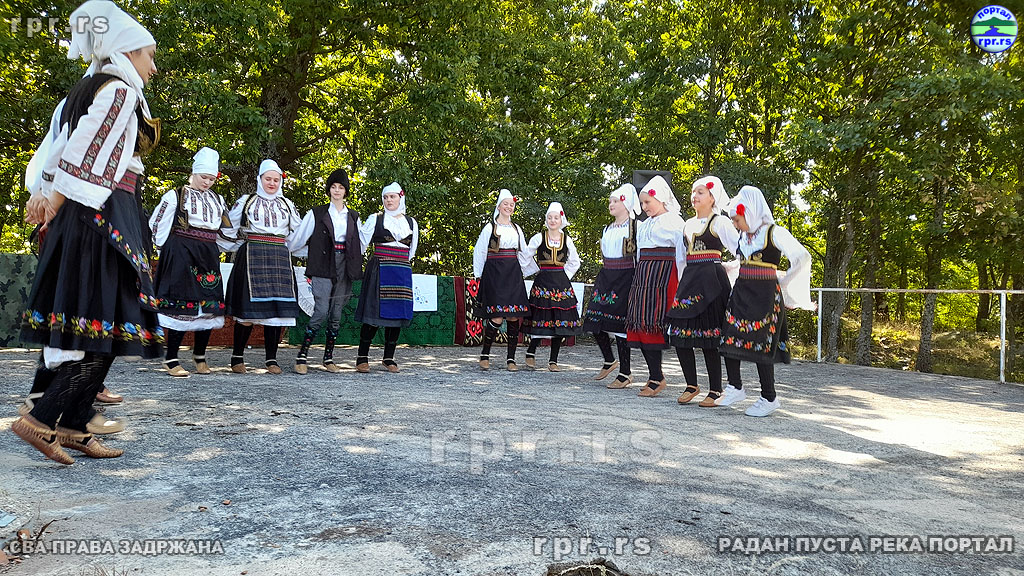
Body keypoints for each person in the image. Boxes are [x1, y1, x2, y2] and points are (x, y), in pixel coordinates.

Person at [13, 0, 162, 463]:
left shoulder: (84, 89)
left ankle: (74, 426)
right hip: (102, 215)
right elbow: (86, 156)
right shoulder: (119, 90)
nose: (153, 67)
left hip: (86, 215)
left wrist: (45, 195)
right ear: (127, 50)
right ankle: (41, 420)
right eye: (149, 55)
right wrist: (54, 201)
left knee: (95, 322)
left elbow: (57, 149)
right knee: (108, 323)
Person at [718, 185, 813, 417]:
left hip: (765, 294)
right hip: (742, 291)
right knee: (729, 335)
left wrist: (786, 282)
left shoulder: (774, 232)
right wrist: (728, 267)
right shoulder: (744, 236)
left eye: (737, 219)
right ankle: (735, 386)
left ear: (750, 212)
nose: (735, 225)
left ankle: (769, 397)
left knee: (762, 343)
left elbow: (802, 256)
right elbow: (742, 261)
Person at [149, 147, 231, 377]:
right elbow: (157, 223)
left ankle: (200, 355)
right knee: (181, 304)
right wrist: (163, 250)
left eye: (212, 179)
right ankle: (171, 358)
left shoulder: (218, 199)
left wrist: (228, 245)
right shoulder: (176, 195)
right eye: (204, 177)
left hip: (208, 254)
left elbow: (225, 231)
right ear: (194, 173)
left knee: (209, 304)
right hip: (182, 252)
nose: (207, 182)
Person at [223, 160, 303, 374]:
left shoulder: (287, 204)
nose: (272, 183)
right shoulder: (246, 202)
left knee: (276, 312)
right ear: (260, 179)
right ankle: (237, 358)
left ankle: (271, 360)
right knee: (248, 312)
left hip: (279, 256)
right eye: (268, 179)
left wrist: (297, 249)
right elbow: (229, 228)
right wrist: (235, 245)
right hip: (253, 254)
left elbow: (298, 233)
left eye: (276, 180)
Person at [665, 176, 739, 406]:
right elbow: (681, 258)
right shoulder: (687, 224)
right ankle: (691, 384)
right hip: (690, 280)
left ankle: (715, 389)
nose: (694, 196)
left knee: (710, 336)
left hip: (712, 282)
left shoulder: (720, 222)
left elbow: (740, 250)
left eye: (700, 192)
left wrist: (729, 268)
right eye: (693, 192)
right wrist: (681, 284)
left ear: (712, 197)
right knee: (679, 333)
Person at [287, 168, 363, 374]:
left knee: (336, 313)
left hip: (344, 264)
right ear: (329, 190)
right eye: (333, 187)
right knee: (321, 310)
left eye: (341, 187)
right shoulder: (317, 213)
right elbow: (300, 238)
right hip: (323, 263)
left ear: (346, 191)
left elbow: (360, 243)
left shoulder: (353, 216)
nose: (337, 190)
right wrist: (288, 250)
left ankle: (328, 358)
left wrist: (354, 262)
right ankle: (302, 356)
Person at [625, 175, 686, 397]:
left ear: (660, 199)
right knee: (640, 323)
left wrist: (681, 281)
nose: (644, 207)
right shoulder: (644, 225)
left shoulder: (675, 222)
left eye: (647, 202)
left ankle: (657, 377)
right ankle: (655, 375)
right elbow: (639, 253)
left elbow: (682, 254)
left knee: (654, 324)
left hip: (664, 275)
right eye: (642, 203)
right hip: (644, 275)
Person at [354, 182, 418, 373]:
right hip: (379, 269)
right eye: (385, 197)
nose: (389, 200)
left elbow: (412, 251)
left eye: (392, 197)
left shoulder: (411, 223)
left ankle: (389, 357)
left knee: (397, 314)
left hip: (401, 270)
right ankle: (362, 357)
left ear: (400, 198)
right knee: (373, 313)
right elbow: (361, 243)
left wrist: (400, 262)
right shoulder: (375, 219)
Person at [583, 184, 640, 388]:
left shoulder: (636, 227)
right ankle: (609, 360)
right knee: (593, 318)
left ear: (626, 203)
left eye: (615, 201)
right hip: (606, 275)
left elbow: (640, 255)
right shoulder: (607, 228)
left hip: (626, 277)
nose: (611, 204)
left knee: (620, 325)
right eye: (610, 201)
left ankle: (625, 373)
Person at [472, 189, 532, 371]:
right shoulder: (490, 228)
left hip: (512, 272)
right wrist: (479, 275)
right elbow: (480, 251)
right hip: (495, 273)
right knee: (497, 316)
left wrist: (523, 270)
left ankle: (511, 359)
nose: (509, 207)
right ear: (498, 206)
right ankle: (485, 355)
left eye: (511, 205)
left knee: (514, 315)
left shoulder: (517, 229)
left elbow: (524, 251)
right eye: (505, 204)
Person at [521, 202, 582, 371]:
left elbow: (575, 261)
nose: (553, 220)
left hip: (561, 284)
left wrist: (565, 276)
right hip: (543, 282)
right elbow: (525, 256)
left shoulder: (566, 239)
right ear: (546, 219)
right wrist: (531, 270)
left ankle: (553, 360)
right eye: (550, 217)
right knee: (541, 318)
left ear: (561, 219)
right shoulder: (539, 237)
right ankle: (531, 352)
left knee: (560, 322)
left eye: (556, 217)